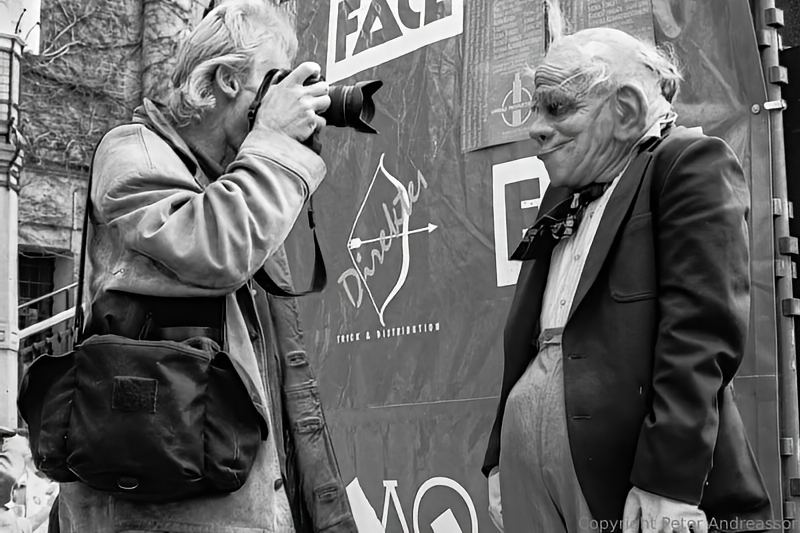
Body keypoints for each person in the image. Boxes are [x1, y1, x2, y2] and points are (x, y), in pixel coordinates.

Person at [55, 1, 354, 531]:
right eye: (273, 81)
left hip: (220, 493)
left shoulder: (226, 179)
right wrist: (275, 143)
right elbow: (215, 247)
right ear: (225, 79)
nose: (284, 99)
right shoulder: (132, 153)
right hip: (154, 509)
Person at [482, 27, 773, 533]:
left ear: (624, 110)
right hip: (535, 475)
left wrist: (668, 478)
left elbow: (701, 332)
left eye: (556, 108)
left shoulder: (686, 164)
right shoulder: (562, 194)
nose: (535, 128)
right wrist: (499, 457)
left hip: (622, 477)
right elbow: (524, 337)